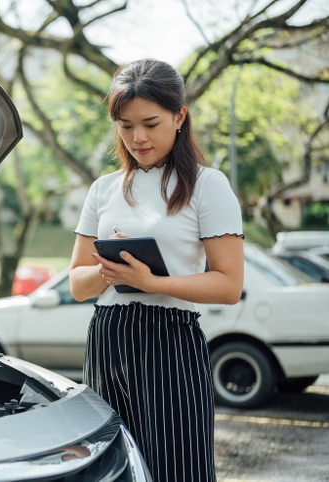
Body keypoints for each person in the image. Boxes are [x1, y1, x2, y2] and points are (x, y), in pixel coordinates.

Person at [69, 58, 244, 482]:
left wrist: (150, 282)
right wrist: (111, 271)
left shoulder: (208, 184)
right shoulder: (103, 189)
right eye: (125, 126)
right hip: (107, 338)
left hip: (169, 342)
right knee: (111, 469)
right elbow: (77, 283)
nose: (138, 137)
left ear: (179, 116)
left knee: (175, 468)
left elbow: (228, 284)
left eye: (150, 122)